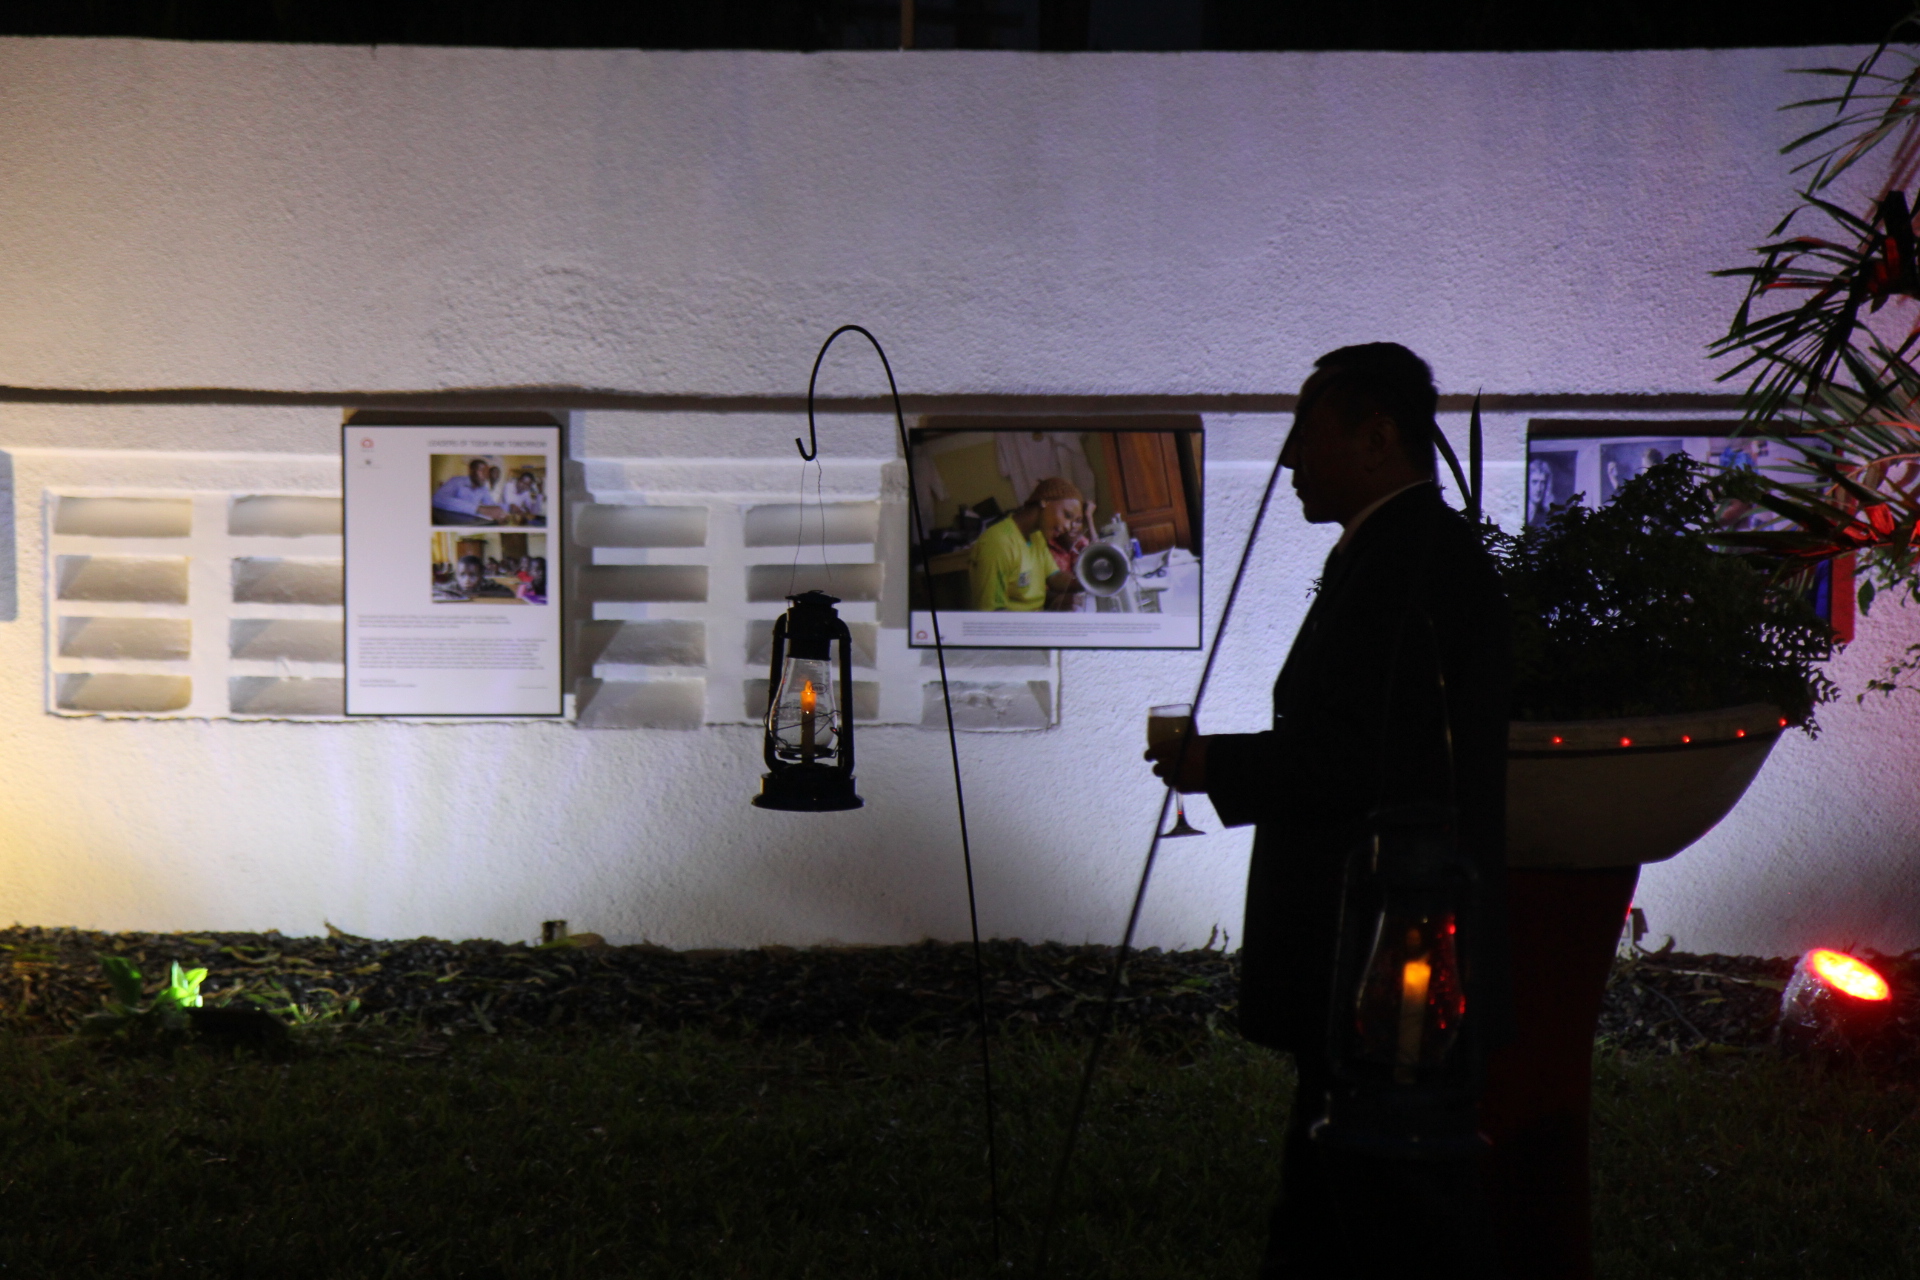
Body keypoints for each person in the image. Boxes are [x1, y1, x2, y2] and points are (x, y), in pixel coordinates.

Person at [1145, 343, 1514, 1279]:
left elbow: (1361, 757)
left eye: (1306, 436)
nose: (1286, 462)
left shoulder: (1408, 565)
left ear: (1377, 438)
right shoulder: (1400, 552)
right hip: (1378, 937)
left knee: (1360, 1196)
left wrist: (1215, 765)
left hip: (1381, 942)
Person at [967, 477, 1087, 611]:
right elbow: (991, 613)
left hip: (1036, 619)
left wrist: (1088, 581)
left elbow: (1055, 577)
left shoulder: (1037, 536)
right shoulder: (998, 542)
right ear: (1044, 501)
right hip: (1011, 623)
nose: (1068, 527)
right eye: (1067, 515)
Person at [432, 460, 507, 524]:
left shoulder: (483, 488)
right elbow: (437, 499)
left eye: (487, 472)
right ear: (471, 471)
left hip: (470, 524)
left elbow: (491, 504)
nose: (486, 475)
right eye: (482, 470)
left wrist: (501, 512)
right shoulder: (456, 480)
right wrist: (478, 509)